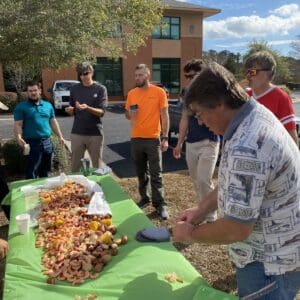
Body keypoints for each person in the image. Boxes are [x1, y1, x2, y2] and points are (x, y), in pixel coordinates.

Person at [172, 62, 300, 299]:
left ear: (220, 104)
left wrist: (190, 234)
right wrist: (202, 208)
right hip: (277, 256)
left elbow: (236, 229)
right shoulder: (251, 115)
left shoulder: (247, 145)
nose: (199, 122)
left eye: (200, 113)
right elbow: (237, 182)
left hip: (269, 265)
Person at [173, 59, 219, 222]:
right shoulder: (186, 92)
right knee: (195, 179)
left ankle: (211, 215)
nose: (189, 79)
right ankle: (202, 209)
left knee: (204, 179)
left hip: (209, 141)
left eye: (193, 75)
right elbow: (184, 118)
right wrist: (179, 143)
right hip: (191, 143)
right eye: (187, 76)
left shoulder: (212, 92)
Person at [125, 64, 170, 220]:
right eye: (135, 75)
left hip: (153, 139)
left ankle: (161, 204)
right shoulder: (131, 93)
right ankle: (145, 197)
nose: (137, 78)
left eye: (140, 75)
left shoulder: (159, 92)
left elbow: (164, 116)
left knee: (156, 173)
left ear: (147, 75)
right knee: (140, 172)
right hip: (136, 138)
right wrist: (131, 113)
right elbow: (127, 115)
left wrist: (165, 137)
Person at [244, 50, 298, 146]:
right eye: (246, 72)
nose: (248, 76)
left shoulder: (281, 97)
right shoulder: (245, 96)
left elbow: (291, 137)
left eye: (252, 72)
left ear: (268, 73)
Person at [14, 81, 65, 179]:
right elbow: (18, 124)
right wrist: (19, 137)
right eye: (30, 91)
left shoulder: (48, 105)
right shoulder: (21, 107)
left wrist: (60, 136)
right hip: (31, 144)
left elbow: (53, 121)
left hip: (47, 143)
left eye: (35, 90)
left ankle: (44, 193)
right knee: (32, 172)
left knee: (45, 172)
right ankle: (30, 193)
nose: (33, 93)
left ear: (40, 91)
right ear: (27, 92)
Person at [65, 62, 108, 172]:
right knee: (75, 167)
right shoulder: (74, 89)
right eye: (80, 74)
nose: (83, 76)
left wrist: (88, 108)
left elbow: (101, 112)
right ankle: (76, 188)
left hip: (95, 134)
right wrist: (69, 110)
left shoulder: (100, 89)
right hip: (77, 132)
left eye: (85, 73)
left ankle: (96, 188)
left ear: (92, 72)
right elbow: (72, 110)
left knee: (96, 167)